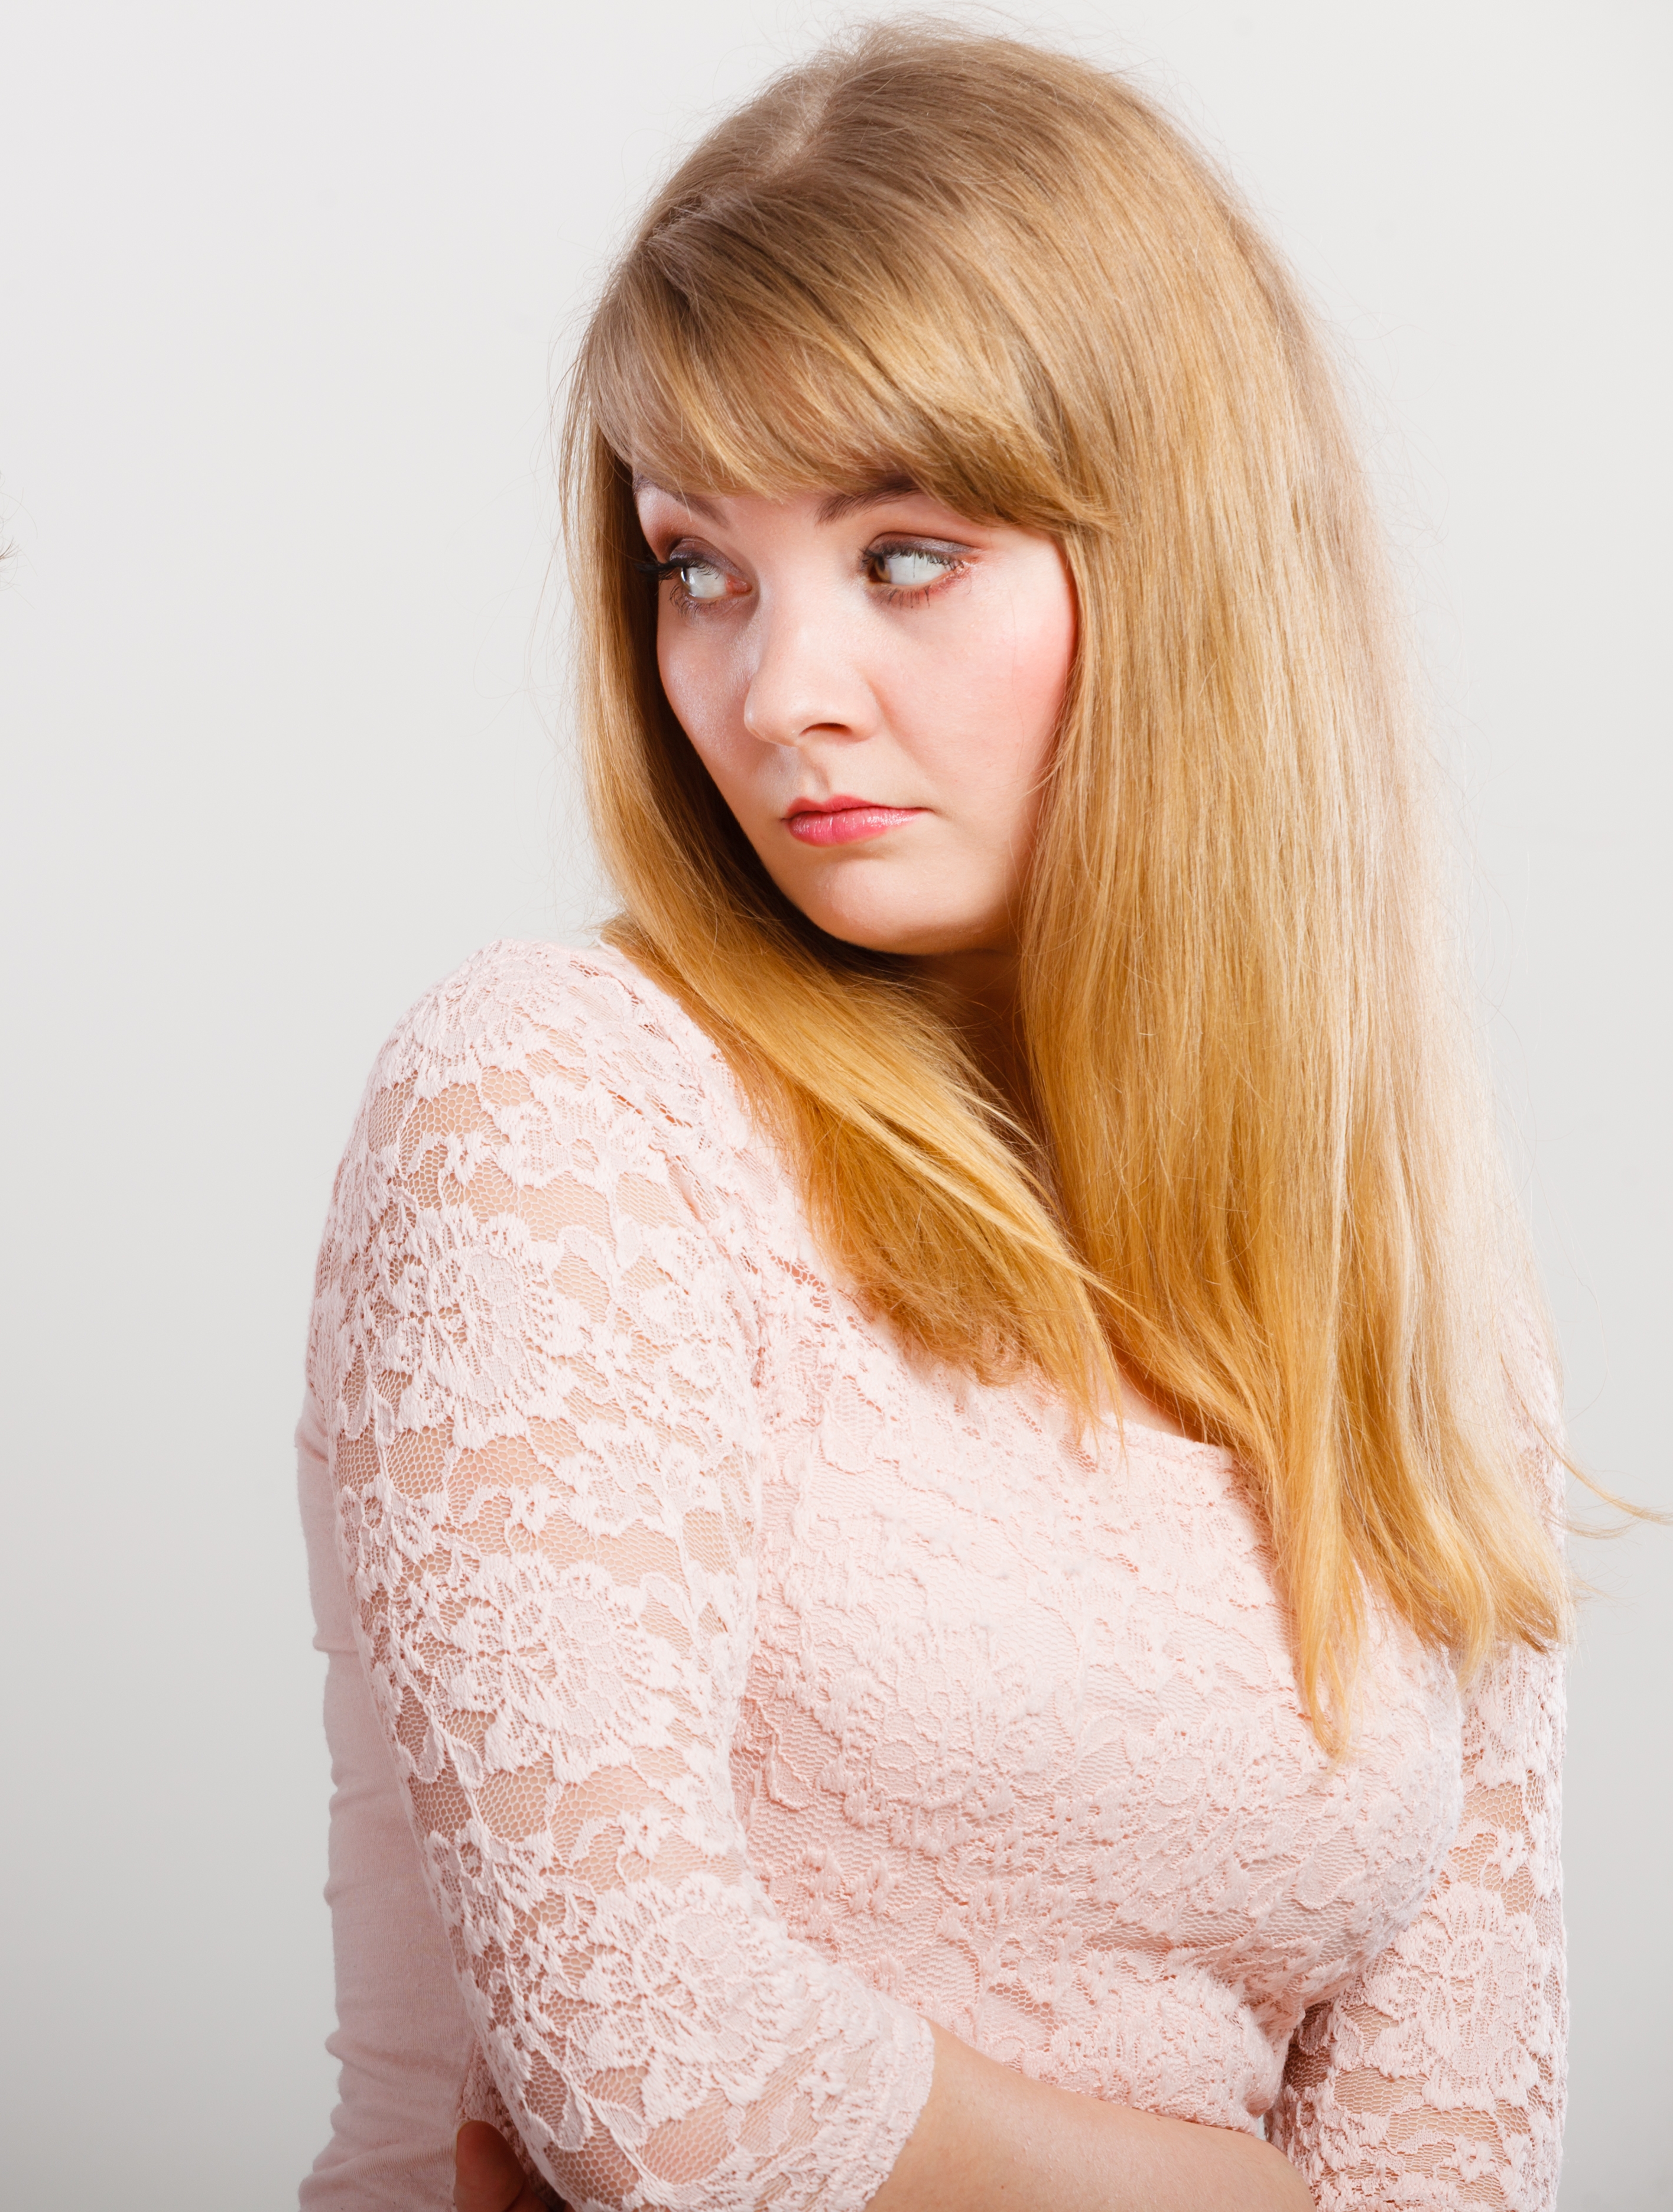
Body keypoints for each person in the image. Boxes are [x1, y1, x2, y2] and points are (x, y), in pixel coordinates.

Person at [298, 27, 1568, 2212]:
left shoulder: (1410, 1296)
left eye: (904, 554)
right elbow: (660, 2088)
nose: (773, 687)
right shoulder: (569, 1104)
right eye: (699, 564)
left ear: (1184, 577)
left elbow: (1466, 2154)